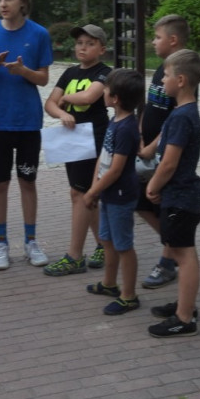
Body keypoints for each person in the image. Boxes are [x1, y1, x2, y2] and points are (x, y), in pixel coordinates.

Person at [0, 0, 53, 270]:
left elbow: (43, 79)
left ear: (22, 2)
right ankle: (1, 243)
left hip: (27, 121)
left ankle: (31, 241)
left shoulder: (39, 33)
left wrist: (23, 71)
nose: (3, 4)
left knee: (27, 181)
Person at [145, 49, 200, 337]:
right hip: (180, 195)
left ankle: (184, 317)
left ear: (180, 80)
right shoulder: (183, 112)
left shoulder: (181, 117)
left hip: (180, 195)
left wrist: (153, 185)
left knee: (183, 254)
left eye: (166, 75)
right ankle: (185, 304)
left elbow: (170, 162)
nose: (162, 80)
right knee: (182, 251)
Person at [42, 24, 111, 276]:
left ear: (101, 49)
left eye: (90, 43)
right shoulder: (69, 72)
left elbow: (89, 97)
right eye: (80, 43)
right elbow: (49, 103)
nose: (83, 47)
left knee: (82, 194)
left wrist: (66, 99)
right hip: (72, 139)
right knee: (80, 193)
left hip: (93, 138)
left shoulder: (105, 72)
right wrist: (61, 112)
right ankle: (104, 244)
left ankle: (74, 256)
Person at [82, 68, 144, 315]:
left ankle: (129, 296)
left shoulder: (127, 128)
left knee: (123, 245)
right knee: (106, 240)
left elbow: (116, 169)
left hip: (120, 196)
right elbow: (104, 156)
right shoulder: (115, 120)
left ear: (115, 98)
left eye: (106, 89)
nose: (103, 92)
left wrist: (91, 192)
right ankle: (109, 283)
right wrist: (95, 185)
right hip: (107, 192)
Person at [137, 14, 191, 289]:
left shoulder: (181, 75)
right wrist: (139, 132)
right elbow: (150, 107)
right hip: (148, 149)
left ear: (173, 40)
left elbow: (174, 118)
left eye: (157, 37)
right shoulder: (163, 69)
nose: (153, 42)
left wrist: (152, 146)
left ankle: (169, 260)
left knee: (163, 206)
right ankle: (176, 247)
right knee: (142, 202)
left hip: (163, 153)